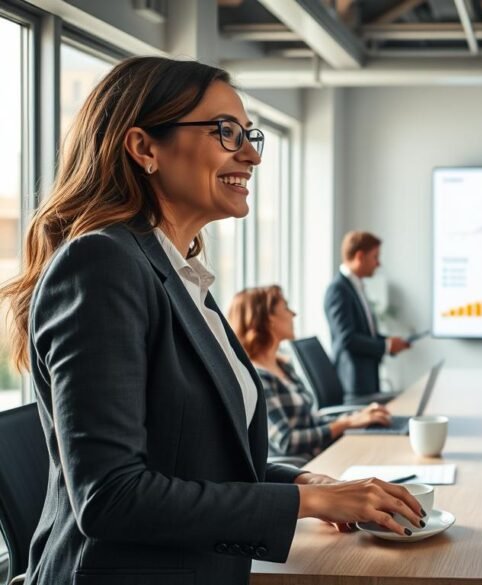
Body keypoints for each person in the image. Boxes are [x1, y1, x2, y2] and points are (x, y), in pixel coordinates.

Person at [0, 57, 423, 584]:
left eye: (250, 135)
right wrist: (305, 502)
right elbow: (112, 496)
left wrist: (305, 484)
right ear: (144, 147)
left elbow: (198, 459)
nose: (250, 154)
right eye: (226, 132)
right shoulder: (102, 265)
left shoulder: (177, 275)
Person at [228, 285, 392, 462]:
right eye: (285, 307)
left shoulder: (283, 366)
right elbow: (287, 441)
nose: (293, 314)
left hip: (322, 453)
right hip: (306, 468)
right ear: (268, 320)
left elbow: (311, 420)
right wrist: (348, 423)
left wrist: (357, 416)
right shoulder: (257, 377)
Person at [325, 231, 410, 401]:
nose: (378, 263)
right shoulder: (338, 290)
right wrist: (385, 346)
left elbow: (364, 333)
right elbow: (347, 339)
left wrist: (389, 343)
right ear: (360, 256)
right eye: (375, 257)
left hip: (367, 380)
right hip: (354, 385)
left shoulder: (355, 286)